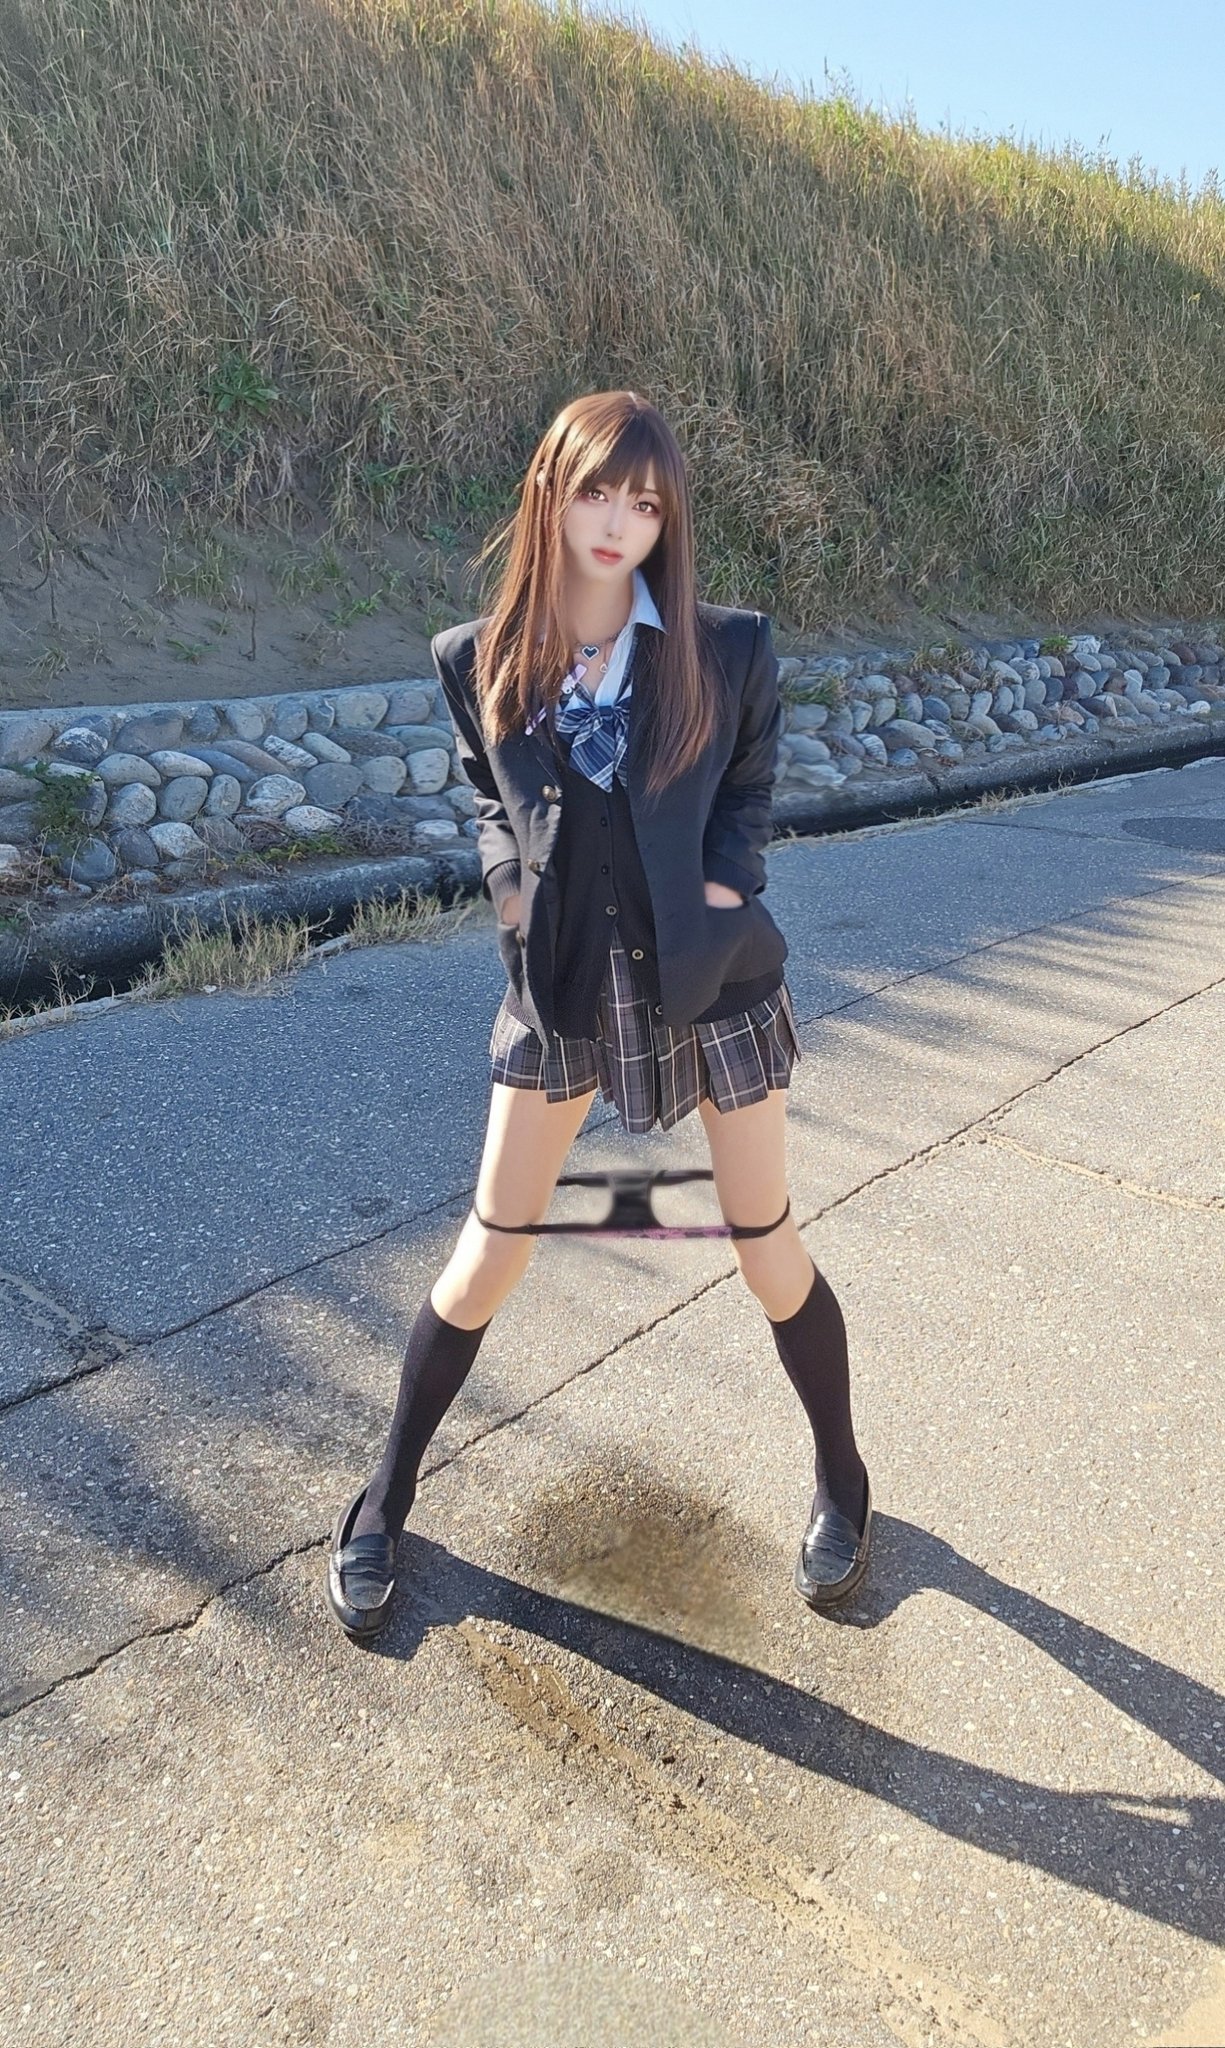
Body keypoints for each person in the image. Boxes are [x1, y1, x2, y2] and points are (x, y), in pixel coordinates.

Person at [325, 389, 872, 1641]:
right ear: (550, 496)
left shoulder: (726, 648)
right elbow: (489, 798)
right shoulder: (477, 657)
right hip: (563, 982)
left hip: (714, 983)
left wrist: (724, 898)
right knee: (491, 1245)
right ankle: (384, 1498)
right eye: (594, 492)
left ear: (667, 518)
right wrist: (512, 900)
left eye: (644, 501)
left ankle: (843, 1478)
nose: (618, 521)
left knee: (762, 1240)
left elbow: (747, 797)